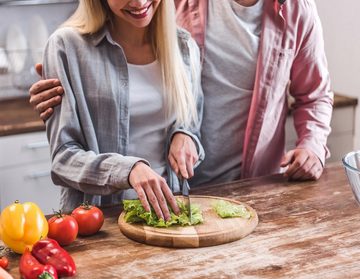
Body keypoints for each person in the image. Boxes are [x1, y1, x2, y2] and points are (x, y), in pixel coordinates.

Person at [30, 0, 333, 187]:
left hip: (249, 185)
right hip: (184, 188)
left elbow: (314, 95)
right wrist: (69, 73)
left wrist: (314, 147)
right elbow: (103, 36)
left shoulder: (295, 10)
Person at [39, 0, 204, 221]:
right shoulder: (65, 46)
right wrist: (127, 170)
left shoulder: (184, 46)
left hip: (165, 216)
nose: (139, 2)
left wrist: (185, 135)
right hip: (98, 223)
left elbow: (191, 122)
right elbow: (64, 158)